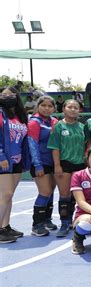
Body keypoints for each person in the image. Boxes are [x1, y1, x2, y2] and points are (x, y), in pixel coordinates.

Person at [47, 99, 86, 237]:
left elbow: (88, 144)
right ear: (63, 109)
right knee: (64, 194)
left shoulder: (82, 127)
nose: (73, 109)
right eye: (70, 107)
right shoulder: (58, 126)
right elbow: (55, 148)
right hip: (63, 164)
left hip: (80, 164)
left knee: (77, 195)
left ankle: (74, 220)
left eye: (76, 107)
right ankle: (64, 223)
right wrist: (57, 165)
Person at [0, 86, 29, 243]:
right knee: (6, 194)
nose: (7, 97)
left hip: (17, 161)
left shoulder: (20, 116)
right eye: (3, 95)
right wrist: (1, 155)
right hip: (4, 160)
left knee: (9, 196)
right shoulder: (0, 113)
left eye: (10, 94)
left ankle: (6, 227)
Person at [28, 95, 58, 236]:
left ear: (54, 108)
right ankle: (37, 225)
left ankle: (47, 219)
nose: (47, 108)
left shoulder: (54, 122)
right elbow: (32, 145)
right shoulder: (34, 122)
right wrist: (38, 164)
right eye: (44, 105)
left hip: (53, 163)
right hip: (41, 163)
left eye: (50, 106)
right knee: (45, 191)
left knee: (50, 192)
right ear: (38, 106)